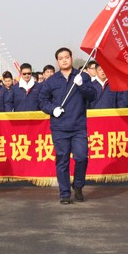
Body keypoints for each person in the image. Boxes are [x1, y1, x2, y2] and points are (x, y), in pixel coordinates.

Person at [39, 47, 97, 204]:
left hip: (78, 126)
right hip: (59, 127)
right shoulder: (51, 81)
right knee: (62, 160)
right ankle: (64, 193)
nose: (64, 60)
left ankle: (78, 185)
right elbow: (42, 101)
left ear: (71, 58)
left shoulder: (82, 76)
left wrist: (81, 85)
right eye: (61, 58)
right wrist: (52, 109)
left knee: (82, 157)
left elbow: (93, 95)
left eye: (67, 57)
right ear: (57, 61)